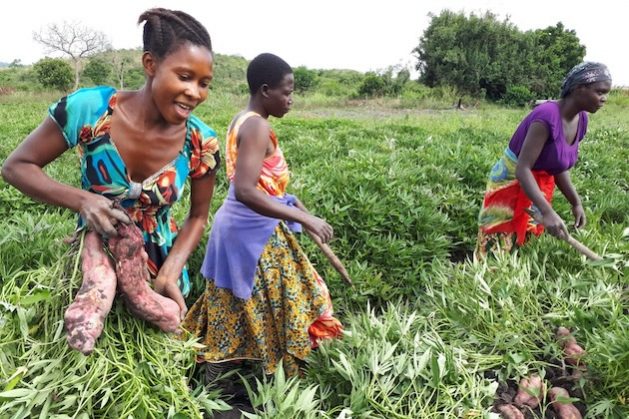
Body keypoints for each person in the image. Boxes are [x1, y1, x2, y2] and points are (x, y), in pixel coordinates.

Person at [1, 8, 220, 318]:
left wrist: (171, 270)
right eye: (185, 77)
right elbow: (16, 166)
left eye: (204, 83)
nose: (194, 92)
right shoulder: (91, 109)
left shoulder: (201, 141)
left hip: (158, 278)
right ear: (150, 64)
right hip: (94, 267)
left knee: (155, 361)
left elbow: (198, 216)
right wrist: (83, 201)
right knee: (84, 343)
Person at [182, 53, 343, 380]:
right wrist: (308, 221)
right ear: (266, 90)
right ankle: (283, 386)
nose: (291, 100)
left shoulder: (242, 119)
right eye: (287, 92)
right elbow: (246, 190)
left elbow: (260, 188)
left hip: (238, 229)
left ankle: (214, 381)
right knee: (294, 304)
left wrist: (297, 208)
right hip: (252, 234)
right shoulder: (256, 126)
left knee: (234, 307)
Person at [476, 62, 612, 256]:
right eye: (600, 92)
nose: (604, 99)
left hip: (536, 186)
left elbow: (558, 165)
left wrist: (575, 202)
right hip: (511, 184)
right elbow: (523, 169)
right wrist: (547, 211)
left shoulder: (581, 119)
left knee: (527, 246)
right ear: (579, 88)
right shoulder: (546, 116)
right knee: (497, 246)